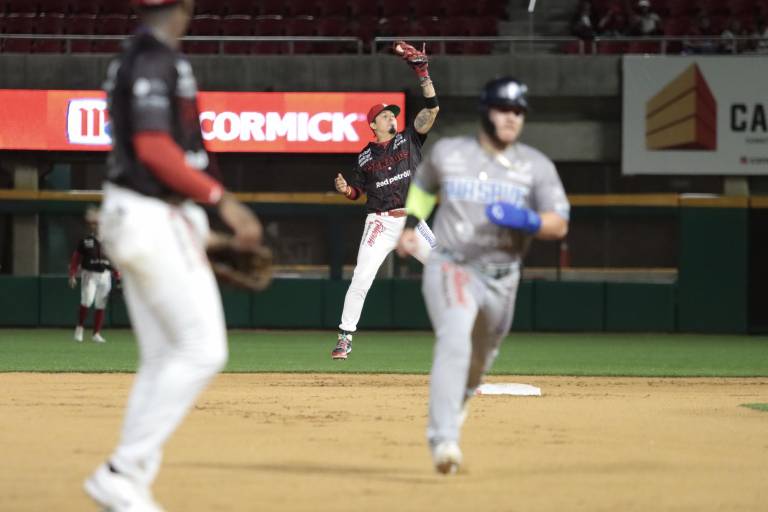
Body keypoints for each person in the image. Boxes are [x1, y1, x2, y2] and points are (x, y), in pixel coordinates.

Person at [83, 0, 264, 510]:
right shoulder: (153, 60)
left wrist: (198, 228)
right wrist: (223, 202)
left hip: (146, 215)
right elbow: (156, 150)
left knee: (165, 356)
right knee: (203, 350)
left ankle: (129, 480)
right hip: (148, 214)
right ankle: (120, 470)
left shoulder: (142, 54)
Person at [396, 77, 570, 474]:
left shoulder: (536, 167)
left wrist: (526, 219)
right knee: (454, 337)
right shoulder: (449, 153)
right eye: (504, 109)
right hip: (452, 264)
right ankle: (443, 440)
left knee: (480, 359)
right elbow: (423, 185)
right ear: (485, 112)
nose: (512, 117)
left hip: (503, 275)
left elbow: (559, 224)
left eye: (518, 111)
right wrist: (411, 223)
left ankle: (461, 399)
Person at [330, 42, 440, 360]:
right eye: (385, 116)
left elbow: (432, 110)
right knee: (362, 276)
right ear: (374, 124)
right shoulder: (364, 156)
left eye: (392, 114)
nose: (392, 118)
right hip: (379, 221)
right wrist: (345, 190)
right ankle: (345, 337)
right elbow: (357, 193)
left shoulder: (409, 138)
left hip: (411, 221)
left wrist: (423, 73)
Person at [69, 207, 120, 343]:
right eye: (95, 224)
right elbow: (76, 258)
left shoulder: (110, 241)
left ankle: (96, 333)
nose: (98, 226)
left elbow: (114, 259)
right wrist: (72, 274)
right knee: (87, 301)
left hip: (105, 274)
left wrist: (117, 274)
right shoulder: (86, 241)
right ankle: (79, 329)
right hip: (89, 274)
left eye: (100, 223)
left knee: (100, 304)